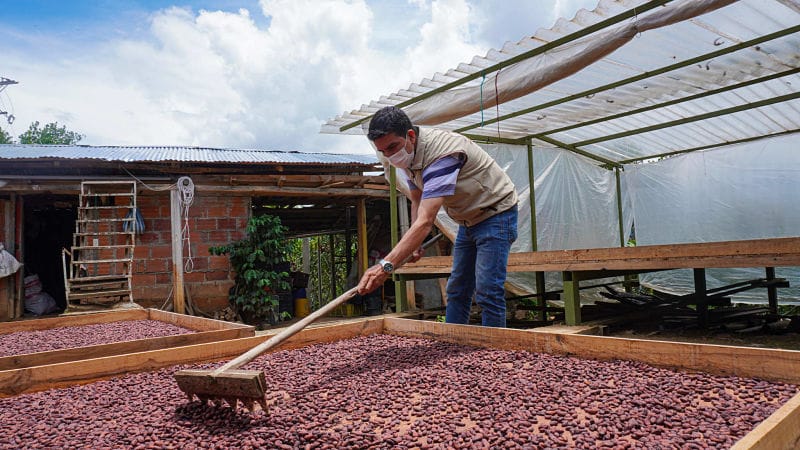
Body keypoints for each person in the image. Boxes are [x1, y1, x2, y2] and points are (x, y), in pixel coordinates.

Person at [356, 106, 518, 327]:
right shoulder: (407, 157)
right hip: (467, 221)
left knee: (488, 289)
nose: (390, 156)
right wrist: (414, 244)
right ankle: (452, 343)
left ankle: (494, 355)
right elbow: (416, 197)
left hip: (495, 213)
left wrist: (385, 266)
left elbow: (425, 221)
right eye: (383, 152)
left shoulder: (442, 155)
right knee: (457, 289)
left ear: (410, 136)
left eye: (393, 147)